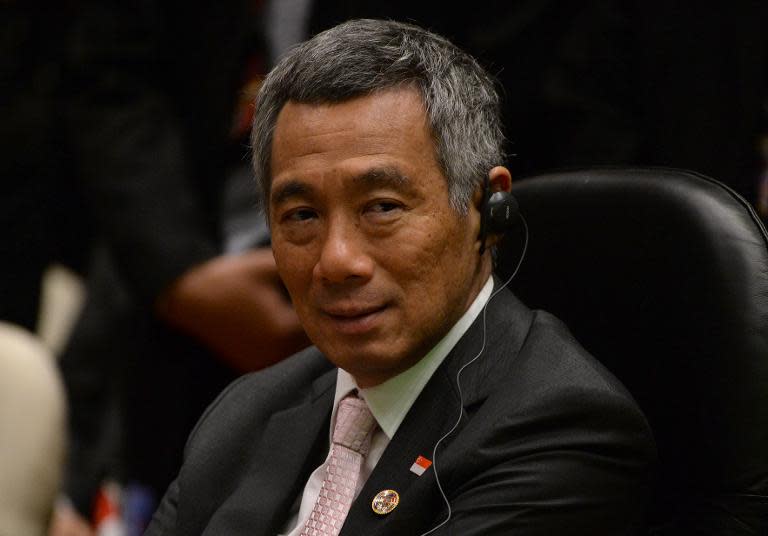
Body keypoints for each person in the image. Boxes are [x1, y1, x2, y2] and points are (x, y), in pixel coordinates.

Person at [145, 19, 655, 535]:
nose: (337, 261)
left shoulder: (560, 428)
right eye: (302, 216)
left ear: (485, 208)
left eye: (382, 207)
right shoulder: (247, 412)